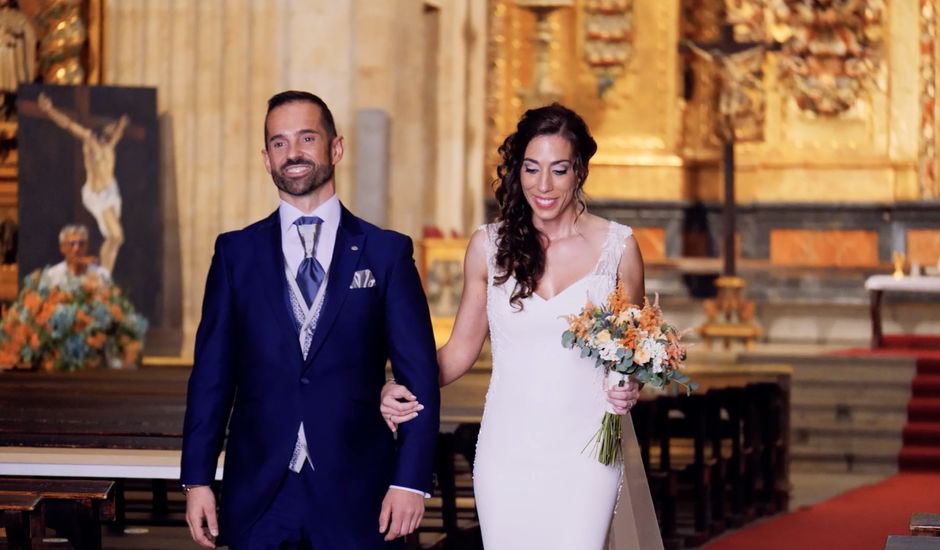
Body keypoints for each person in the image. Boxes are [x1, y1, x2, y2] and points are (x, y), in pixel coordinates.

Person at [381, 104, 664, 549]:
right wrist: (400, 384)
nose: (543, 186)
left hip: (587, 450)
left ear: (580, 171)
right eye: (532, 169)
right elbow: (458, 353)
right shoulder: (488, 246)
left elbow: (634, 353)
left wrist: (630, 387)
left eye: (559, 170)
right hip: (507, 448)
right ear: (518, 171)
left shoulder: (619, 247)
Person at [180, 90, 440, 549]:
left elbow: (417, 376)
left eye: (306, 138)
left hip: (359, 491)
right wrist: (196, 479)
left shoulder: (386, 253)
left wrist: (411, 481)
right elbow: (211, 377)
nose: (293, 153)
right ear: (265, 158)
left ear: (335, 148)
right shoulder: (234, 254)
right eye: (279, 143)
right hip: (260, 491)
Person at [37, 92, 128, 274]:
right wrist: (50, 110)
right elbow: (69, 125)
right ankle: (104, 276)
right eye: (110, 128)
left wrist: (123, 123)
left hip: (110, 192)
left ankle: (104, 275)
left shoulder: (110, 145)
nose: (113, 130)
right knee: (117, 236)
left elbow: (119, 131)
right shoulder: (90, 140)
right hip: (97, 195)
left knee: (114, 239)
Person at [40, 224, 110, 288]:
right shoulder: (52, 275)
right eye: (71, 244)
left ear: (87, 247)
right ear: (62, 248)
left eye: (81, 244)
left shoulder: (101, 274)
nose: (76, 248)